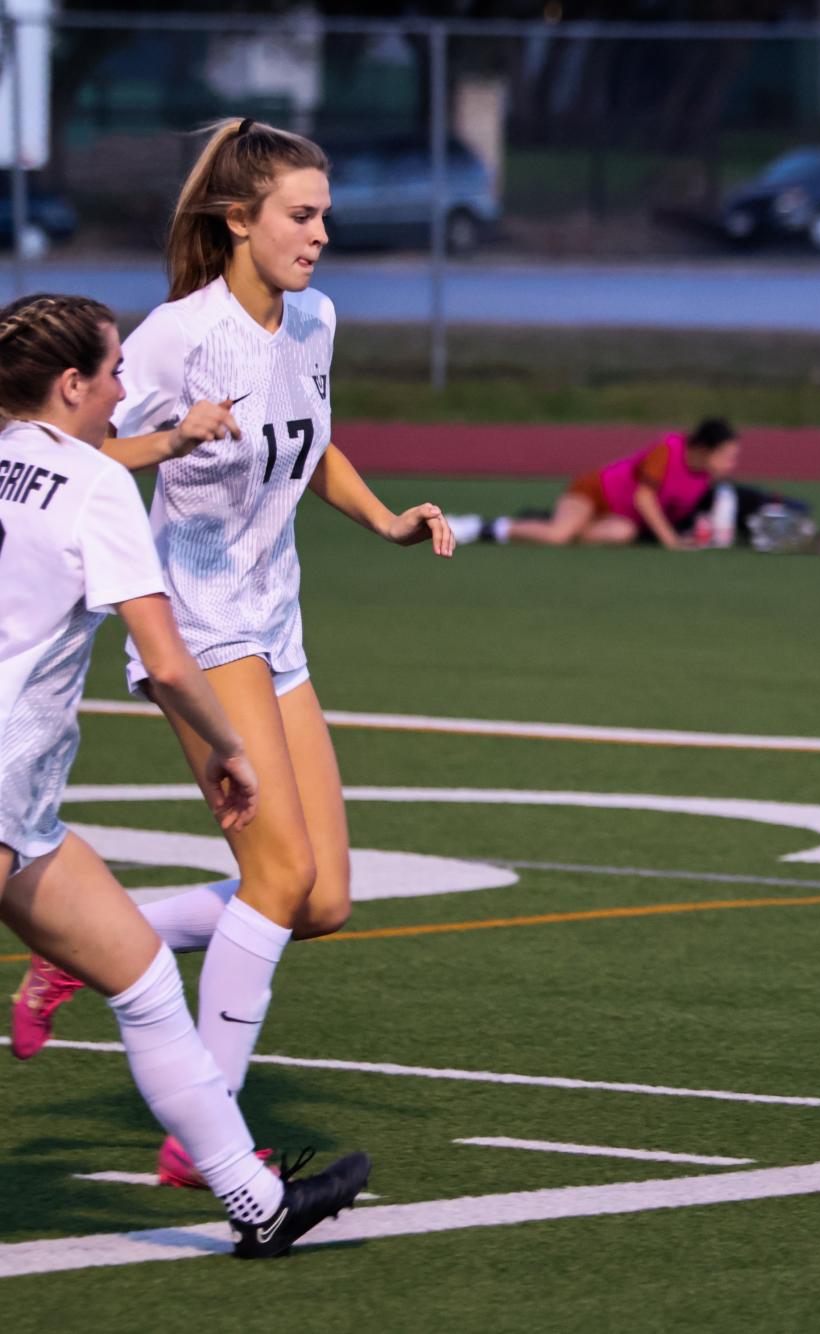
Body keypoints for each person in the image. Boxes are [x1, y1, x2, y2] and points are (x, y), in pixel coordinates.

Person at [9, 118, 456, 1191]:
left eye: (324, 217)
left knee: (325, 899)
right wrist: (168, 438)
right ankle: (205, 1127)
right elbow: (72, 460)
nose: (320, 235)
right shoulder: (172, 337)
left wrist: (385, 518)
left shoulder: (316, 319)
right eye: (301, 216)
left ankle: (76, 947)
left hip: (278, 620)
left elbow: (314, 441)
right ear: (238, 220)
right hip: (199, 623)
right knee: (279, 872)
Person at [0, 292, 370, 1256]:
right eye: (114, 372)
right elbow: (168, 661)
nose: (127, 390)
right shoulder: (89, 486)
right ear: (73, 385)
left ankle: (257, 1203)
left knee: (146, 981)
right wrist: (234, 752)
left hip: (25, 819)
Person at [457, 417, 759, 548]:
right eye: (727, 455)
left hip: (621, 518)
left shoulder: (705, 479)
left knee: (621, 534)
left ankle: (540, 521)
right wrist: (670, 541)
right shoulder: (669, 449)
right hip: (594, 493)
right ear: (704, 450)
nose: (731, 464)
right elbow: (644, 498)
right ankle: (478, 527)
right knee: (558, 537)